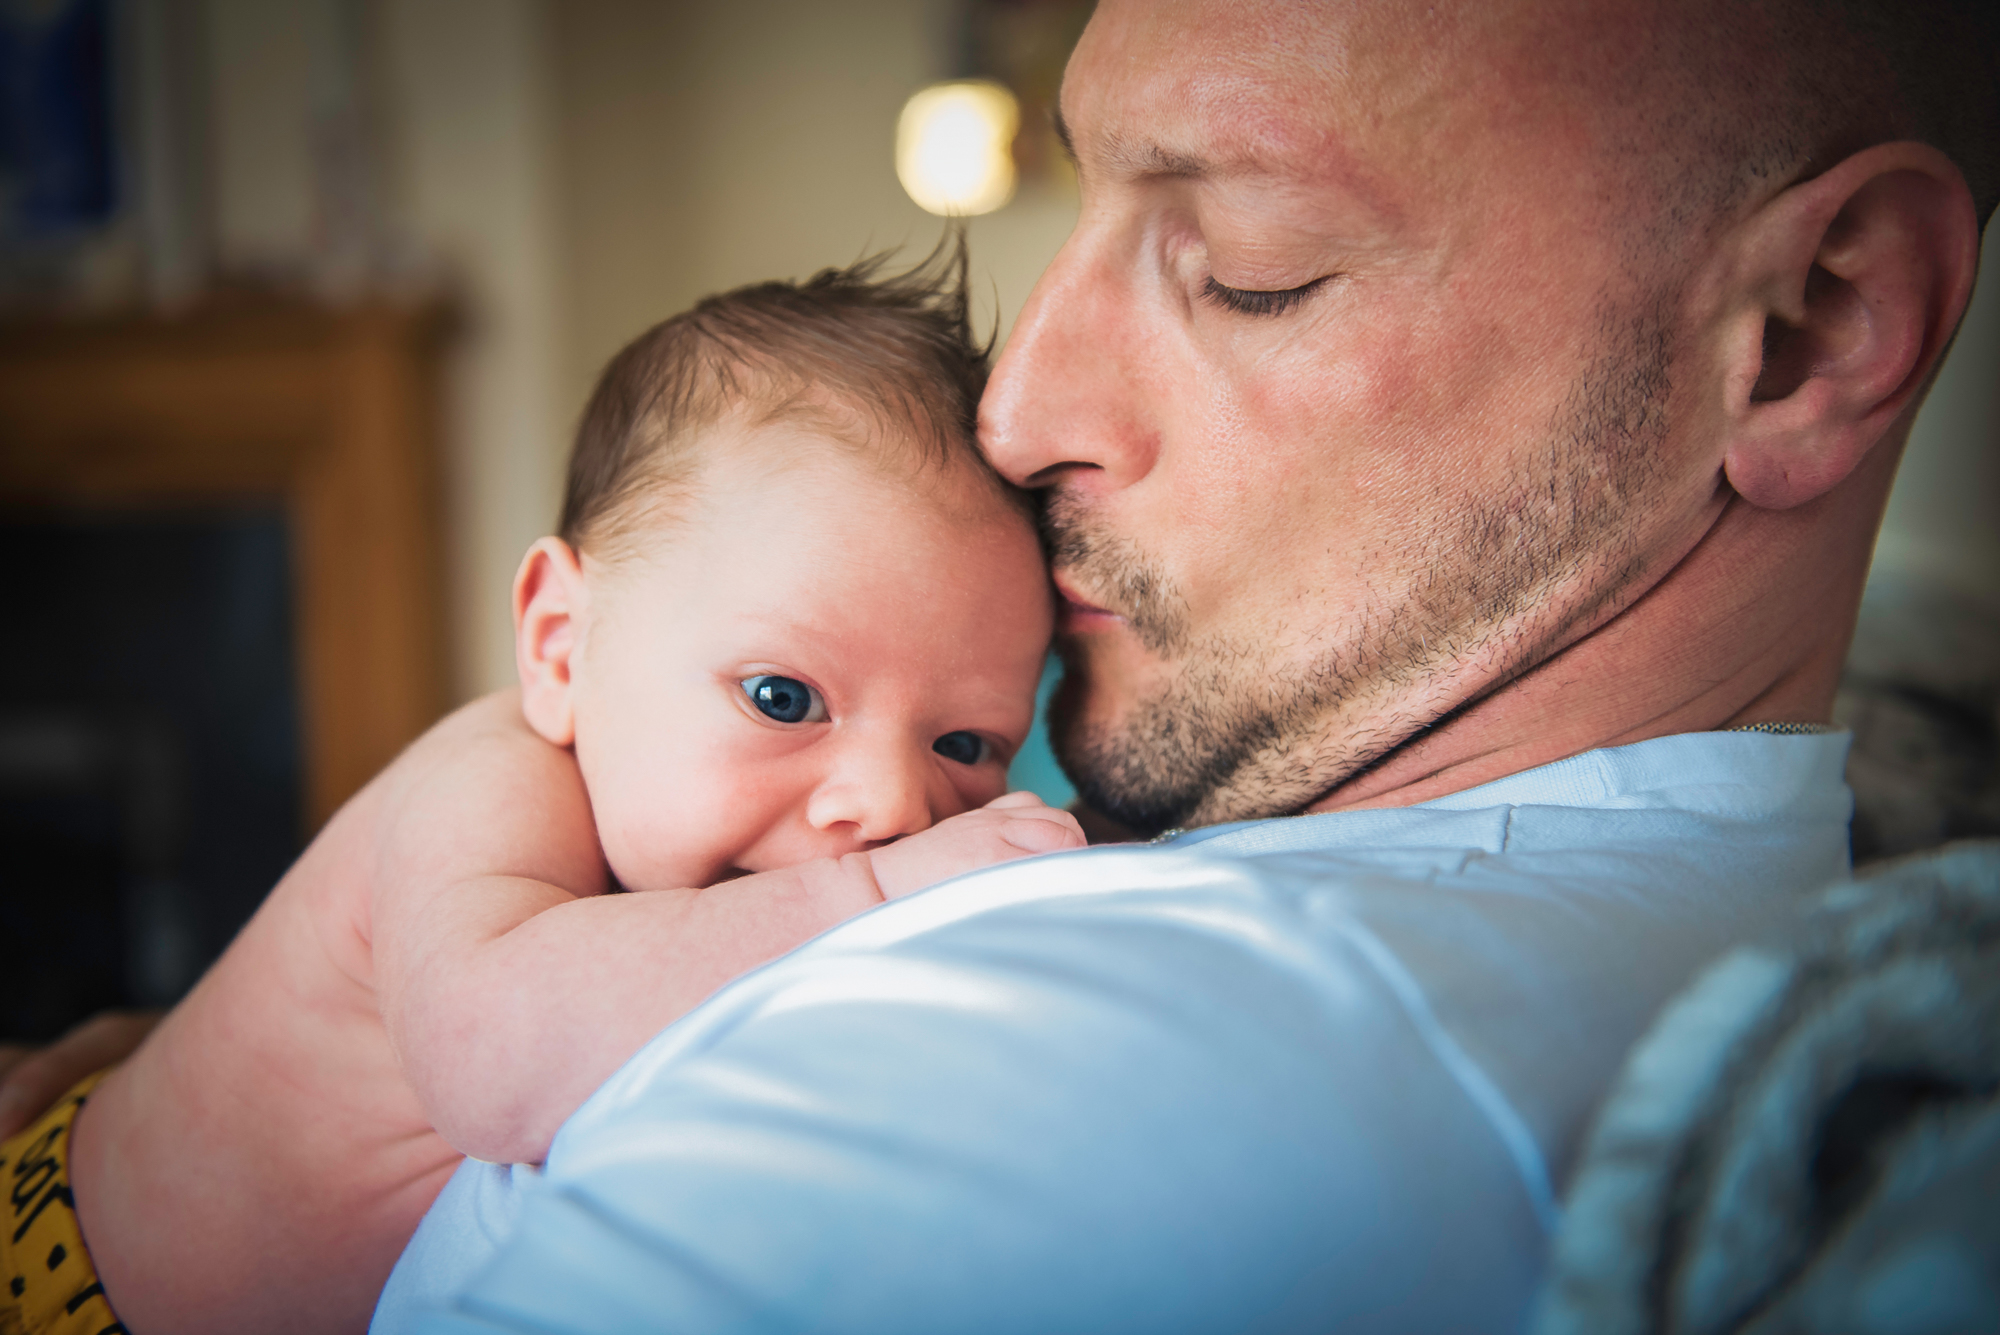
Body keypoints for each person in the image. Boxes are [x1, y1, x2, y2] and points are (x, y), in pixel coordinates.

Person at [9, 0, 1994, 1329]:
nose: (1020, 403)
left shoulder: (1175, 1077)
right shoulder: (1275, 780)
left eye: (1249, 266)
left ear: (1808, 326)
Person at [0, 255, 1082, 1335]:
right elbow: (489, 1062)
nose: (892, 805)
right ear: (560, 646)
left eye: (962, 741)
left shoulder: (716, 868)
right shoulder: (493, 781)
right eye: (781, 696)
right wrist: (873, 895)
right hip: (62, 1279)